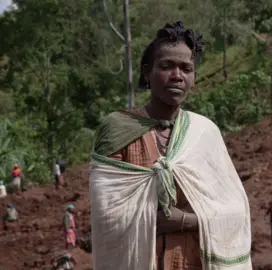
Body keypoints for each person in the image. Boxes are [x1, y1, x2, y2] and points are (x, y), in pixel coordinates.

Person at [89, 21, 252, 270]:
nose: (177, 75)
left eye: (186, 68)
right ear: (147, 72)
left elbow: (235, 210)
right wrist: (151, 219)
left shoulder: (204, 133)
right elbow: (108, 214)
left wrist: (184, 221)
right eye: (167, 66)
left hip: (193, 262)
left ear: (194, 77)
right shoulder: (117, 128)